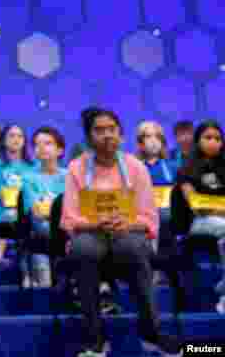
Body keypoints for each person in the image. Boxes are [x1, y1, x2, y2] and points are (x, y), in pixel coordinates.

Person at [60, 108, 180, 357]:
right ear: (88, 137)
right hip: (90, 232)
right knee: (83, 249)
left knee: (134, 247)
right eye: (99, 130)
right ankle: (95, 338)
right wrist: (96, 222)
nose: (106, 135)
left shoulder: (136, 167)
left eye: (112, 129)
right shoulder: (76, 167)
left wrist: (128, 224)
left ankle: (151, 331)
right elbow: (69, 218)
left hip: (128, 233)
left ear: (121, 135)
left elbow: (149, 217)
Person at [175, 121, 225, 314]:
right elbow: (196, 207)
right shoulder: (187, 169)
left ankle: (223, 288)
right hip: (197, 222)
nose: (213, 142)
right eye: (208, 137)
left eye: (217, 138)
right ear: (198, 141)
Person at [21, 126, 67, 287]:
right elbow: (36, 212)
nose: (41, 148)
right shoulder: (28, 178)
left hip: (67, 228)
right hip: (43, 229)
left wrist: (48, 208)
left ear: (60, 150)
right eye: (37, 144)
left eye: (47, 143)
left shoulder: (69, 176)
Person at [0, 124, 31, 265]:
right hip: (5, 208)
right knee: (8, 212)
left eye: (20, 136)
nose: (16, 139)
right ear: (4, 141)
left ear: (24, 141)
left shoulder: (33, 165)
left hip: (29, 208)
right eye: (11, 135)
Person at [136, 121, 176, 252]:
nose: (153, 141)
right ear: (140, 143)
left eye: (157, 137)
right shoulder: (133, 167)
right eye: (148, 136)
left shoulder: (173, 167)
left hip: (167, 215)